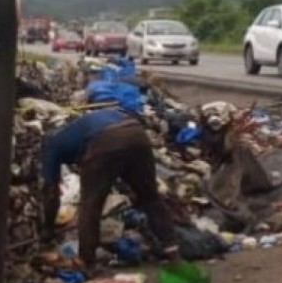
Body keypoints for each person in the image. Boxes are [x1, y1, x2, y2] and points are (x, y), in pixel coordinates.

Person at [40, 105, 180, 268]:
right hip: (136, 133)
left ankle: (86, 260)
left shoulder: (50, 147)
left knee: (90, 205)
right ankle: (173, 252)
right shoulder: (77, 128)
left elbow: (50, 194)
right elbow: (120, 166)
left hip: (105, 140)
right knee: (150, 197)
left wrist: (48, 228)